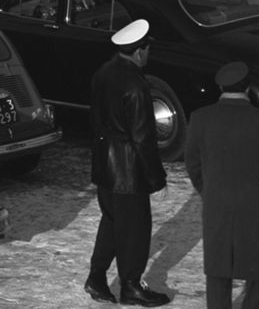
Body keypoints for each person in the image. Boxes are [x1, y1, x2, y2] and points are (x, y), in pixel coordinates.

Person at [183, 61, 259, 309]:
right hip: (256, 202)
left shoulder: (200, 119)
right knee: (257, 265)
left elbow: (193, 164)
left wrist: (208, 191)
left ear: (221, 88)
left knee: (218, 266)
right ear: (247, 88)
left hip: (217, 202)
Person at [85, 18, 171, 306]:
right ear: (139, 51)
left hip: (104, 164)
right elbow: (142, 138)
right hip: (128, 170)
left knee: (111, 223)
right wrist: (156, 178)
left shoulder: (103, 72)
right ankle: (131, 285)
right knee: (134, 229)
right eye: (147, 50)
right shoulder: (136, 85)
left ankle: (97, 277)